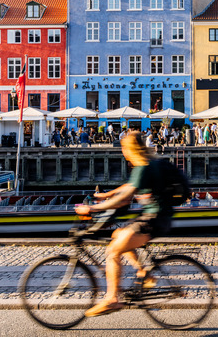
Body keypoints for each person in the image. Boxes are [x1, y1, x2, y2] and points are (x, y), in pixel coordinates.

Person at [75, 131, 177, 317]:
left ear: (129, 149)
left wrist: (92, 209)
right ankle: (144, 273)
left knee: (113, 251)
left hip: (154, 220)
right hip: (153, 216)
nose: (122, 151)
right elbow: (129, 187)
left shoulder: (143, 167)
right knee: (117, 234)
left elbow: (123, 198)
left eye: (123, 147)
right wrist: (107, 195)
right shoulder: (146, 164)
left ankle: (112, 299)